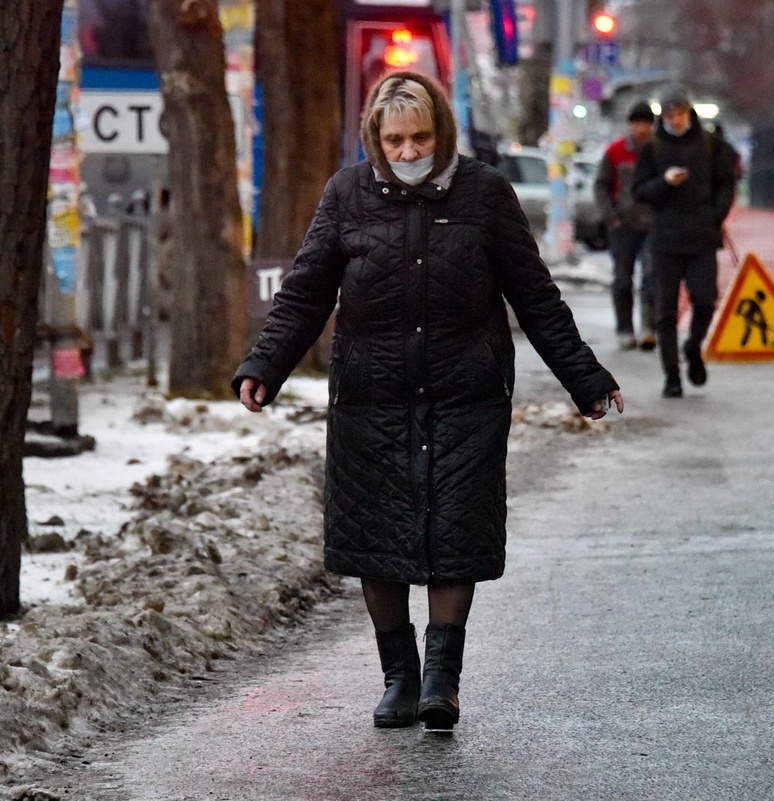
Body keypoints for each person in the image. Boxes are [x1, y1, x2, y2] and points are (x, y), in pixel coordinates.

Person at [231, 71, 623, 732]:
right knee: (374, 533)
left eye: (420, 137)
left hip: (465, 394)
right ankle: (399, 677)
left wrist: (584, 378)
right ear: (375, 140)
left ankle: (443, 679)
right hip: (370, 397)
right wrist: (265, 365)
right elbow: (304, 293)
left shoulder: (485, 195)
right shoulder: (347, 196)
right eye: (395, 139)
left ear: (442, 131)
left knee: (454, 531)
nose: (408, 151)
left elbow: (535, 296)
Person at [633, 85, 737, 398]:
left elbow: (726, 184)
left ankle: (693, 346)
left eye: (678, 113)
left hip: (702, 236)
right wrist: (664, 182)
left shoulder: (709, 144)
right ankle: (672, 376)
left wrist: (715, 216)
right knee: (665, 310)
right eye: (669, 114)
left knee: (705, 300)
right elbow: (640, 191)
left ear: (688, 112)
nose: (674, 119)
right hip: (665, 238)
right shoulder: (651, 148)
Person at [595, 100, 657, 351]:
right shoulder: (615, 152)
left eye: (646, 124)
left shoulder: (659, 152)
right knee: (622, 279)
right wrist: (611, 217)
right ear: (631, 125)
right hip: (623, 225)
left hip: (652, 225)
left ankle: (648, 328)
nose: (641, 129)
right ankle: (624, 329)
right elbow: (601, 185)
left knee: (651, 278)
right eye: (637, 123)